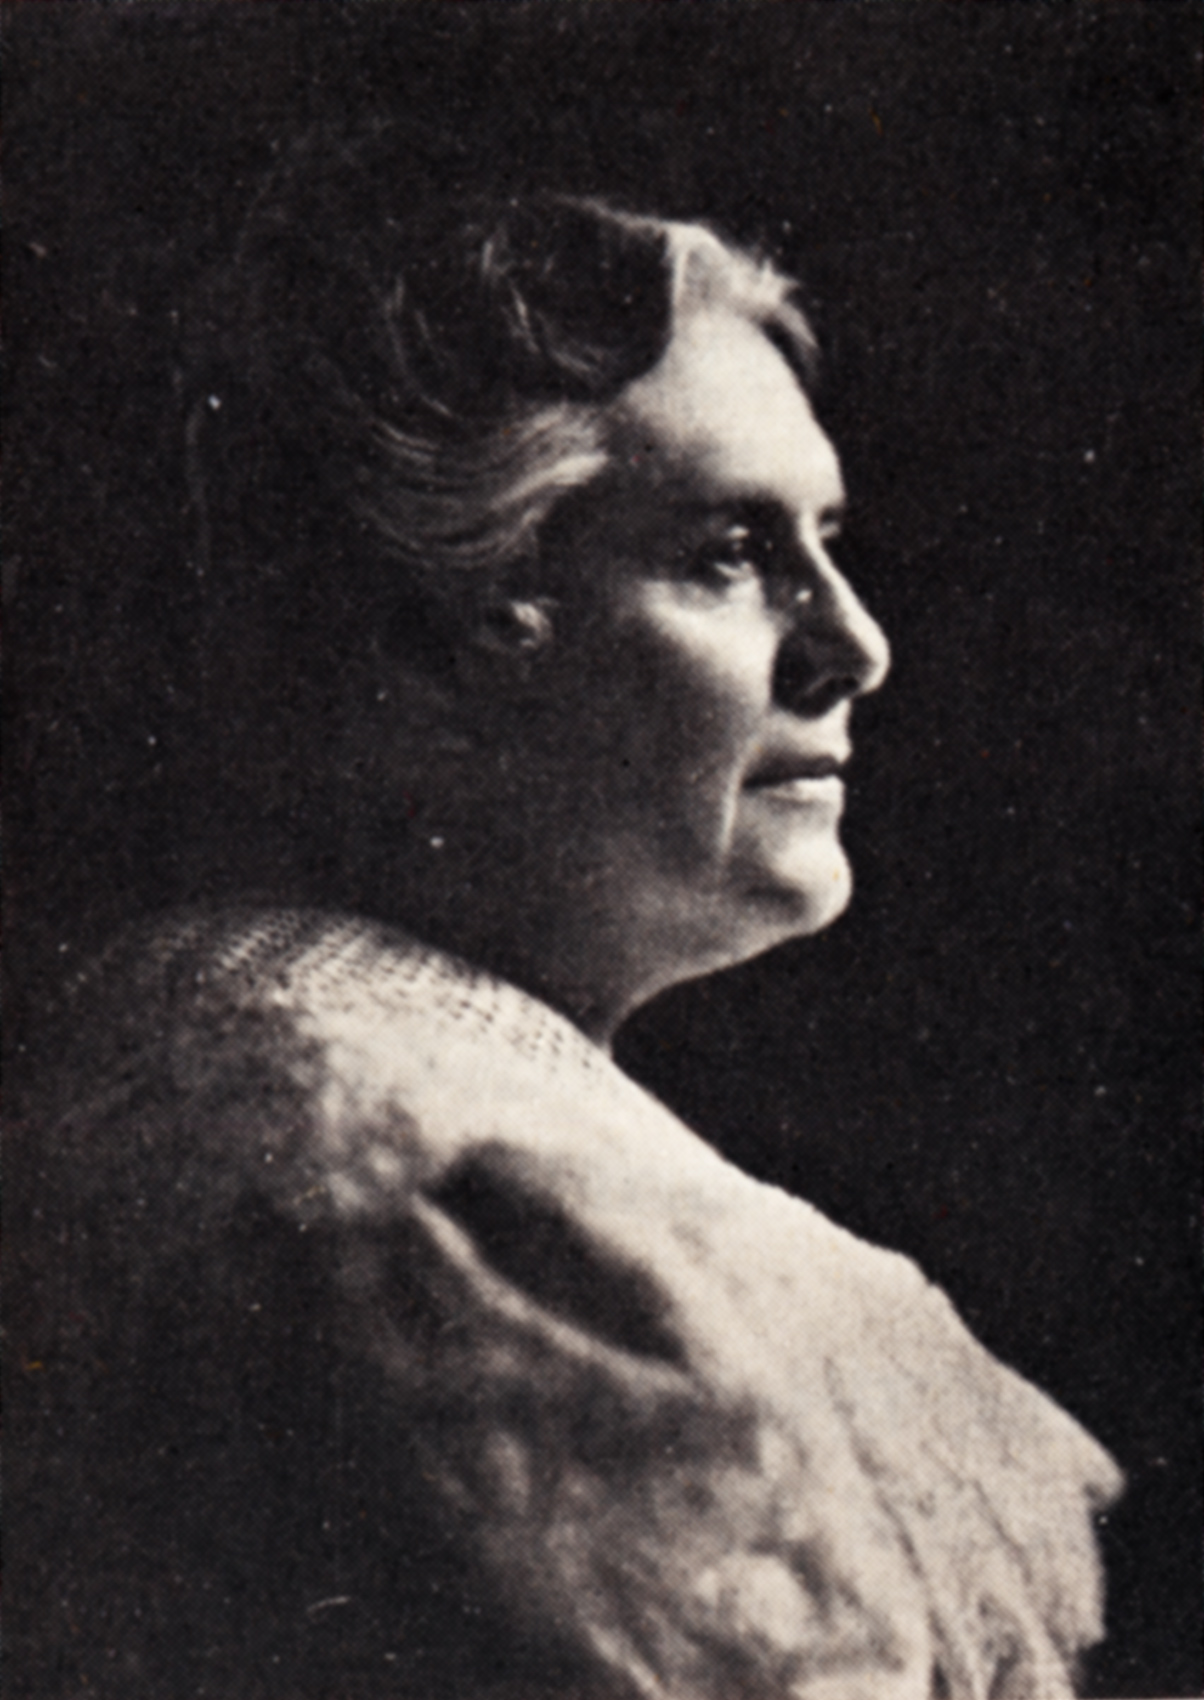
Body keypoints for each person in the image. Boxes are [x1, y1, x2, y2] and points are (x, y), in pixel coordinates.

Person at [10, 139, 1120, 1699]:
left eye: (830, 545)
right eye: (725, 556)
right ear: (437, 638)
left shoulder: (287, 1073)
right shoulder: (457, 1200)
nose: (855, 644)